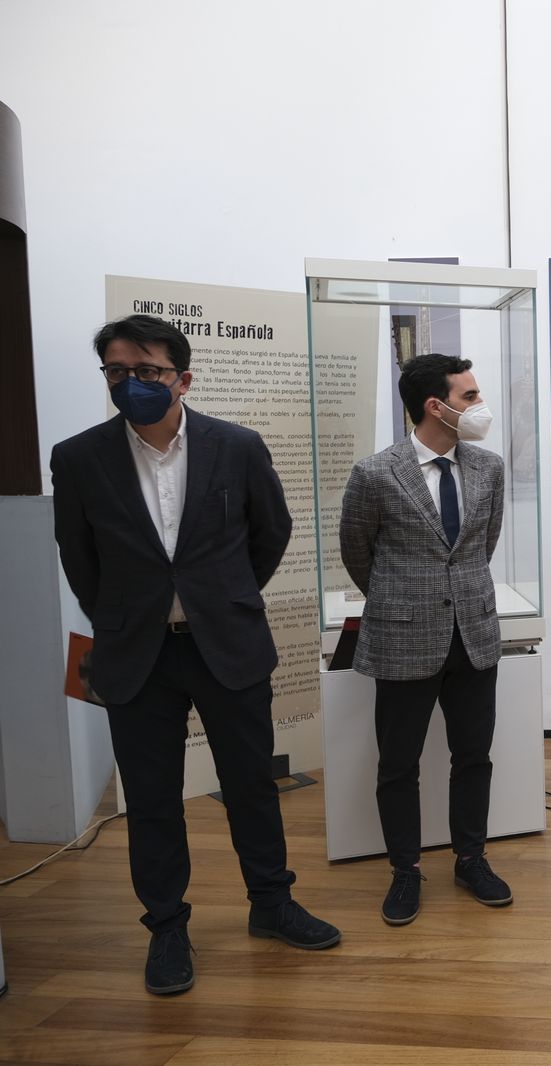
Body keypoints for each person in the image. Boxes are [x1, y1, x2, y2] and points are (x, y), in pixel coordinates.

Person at [51, 314, 340, 996]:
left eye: (146, 371)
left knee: (250, 785)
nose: (131, 383)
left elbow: (270, 533)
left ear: (183, 377)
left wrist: (224, 598)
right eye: (117, 372)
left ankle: (271, 905)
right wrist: (123, 619)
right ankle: (167, 928)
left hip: (228, 646)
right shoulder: (79, 457)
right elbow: (78, 557)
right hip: (137, 654)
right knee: (152, 800)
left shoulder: (236, 447)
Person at [340, 353, 511, 925]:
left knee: (473, 756)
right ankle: (405, 871)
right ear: (435, 406)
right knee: (399, 763)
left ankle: (471, 858)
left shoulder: (488, 468)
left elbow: (480, 547)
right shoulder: (375, 473)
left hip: (475, 634)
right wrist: (404, 600)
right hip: (404, 637)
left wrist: (456, 595)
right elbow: (357, 554)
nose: (479, 405)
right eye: (469, 396)